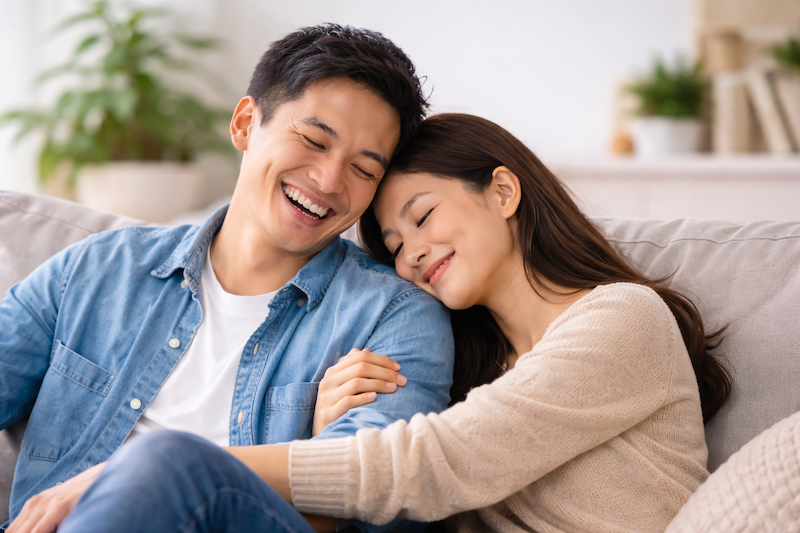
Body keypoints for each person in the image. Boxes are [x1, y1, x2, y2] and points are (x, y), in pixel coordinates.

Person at [8, 113, 733, 533]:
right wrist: (328, 435)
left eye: (421, 217)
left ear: (503, 191)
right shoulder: (479, 360)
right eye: (392, 244)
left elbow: (424, 463)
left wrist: (118, 471)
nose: (412, 253)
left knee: (169, 463)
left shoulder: (620, 319)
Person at [0, 25, 457, 533]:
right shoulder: (96, 270)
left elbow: (380, 492)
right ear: (245, 124)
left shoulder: (392, 317)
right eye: (312, 140)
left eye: (364, 170)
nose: (329, 182)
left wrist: (129, 476)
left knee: (166, 460)